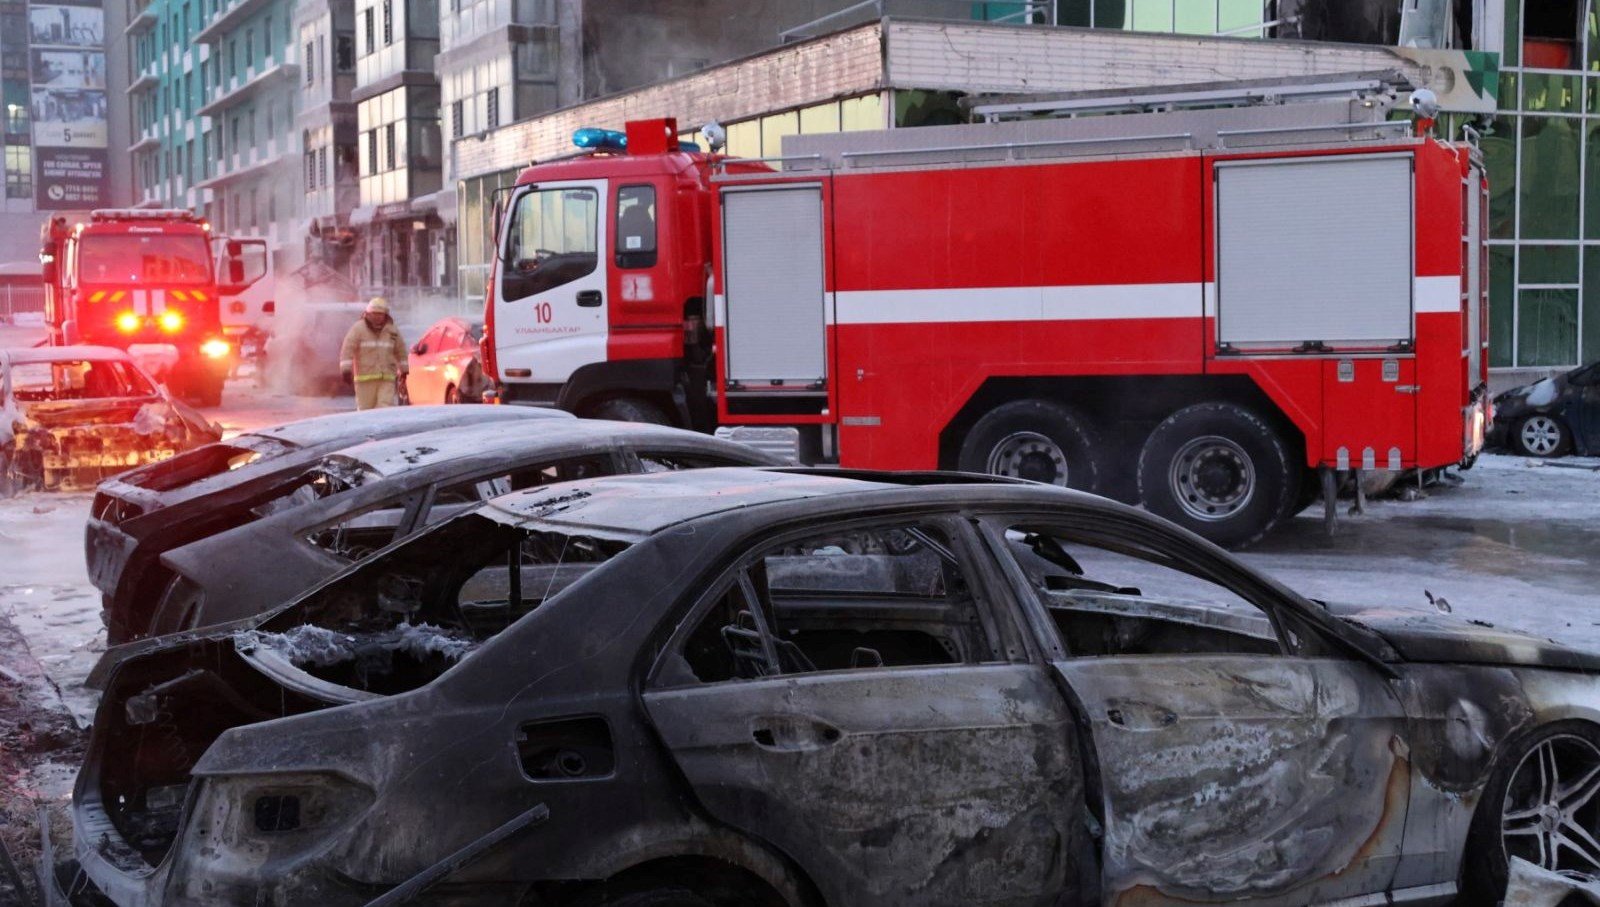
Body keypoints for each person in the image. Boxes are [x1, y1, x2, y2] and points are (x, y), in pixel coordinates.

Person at [339, 297, 408, 410]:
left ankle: (384, 428)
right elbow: (348, 349)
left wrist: (404, 370)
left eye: (380, 314)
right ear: (368, 314)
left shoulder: (392, 330)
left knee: (385, 408)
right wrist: (345, 370)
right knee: (365, 410)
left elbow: (400, 350)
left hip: (387, 378)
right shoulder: (358, 329)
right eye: (374, 314)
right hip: (364, 379)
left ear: (386, 315)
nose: (377, 317)